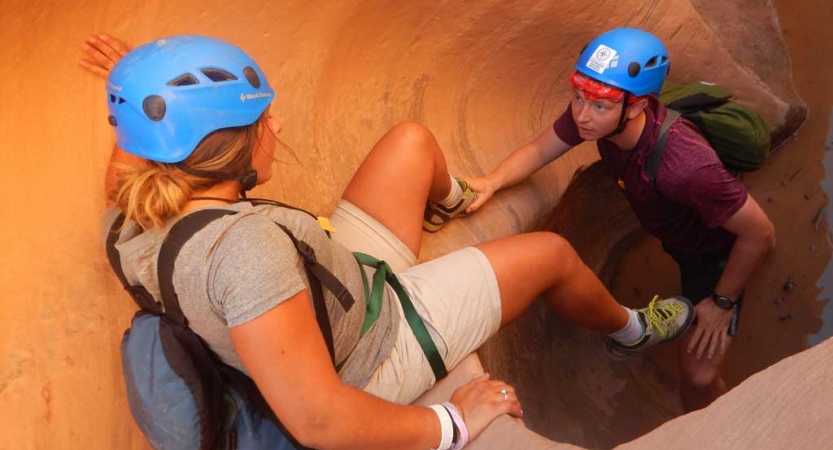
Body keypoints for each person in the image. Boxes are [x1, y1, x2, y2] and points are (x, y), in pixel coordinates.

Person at [82, 33, 692, 449]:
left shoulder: (130, 208)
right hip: (374, 346)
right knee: (553, 257)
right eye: (262, 120)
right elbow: (319, 419)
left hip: (331, 278)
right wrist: (451, 421)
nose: (277, 125)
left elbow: (139, 144)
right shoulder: (245, 255)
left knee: (410, 141)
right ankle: (630, 333)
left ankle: (454, 200)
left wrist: (140, 81)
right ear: (226, 146)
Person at [462, 27, 775, 412]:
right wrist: (491, 181)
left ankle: (724, 427)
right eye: (578, 97)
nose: (581, 114)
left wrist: (722, 301)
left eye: (598, 105)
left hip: (713, 254)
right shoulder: (602, 115)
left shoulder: (686, 167)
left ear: (638, 106)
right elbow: (539, 149)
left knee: (698, 376)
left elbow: (759, 233)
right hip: (677, 234)